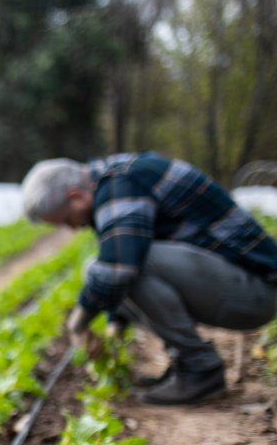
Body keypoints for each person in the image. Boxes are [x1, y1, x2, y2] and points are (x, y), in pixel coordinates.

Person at [21, 152, 277, 405]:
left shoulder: (122, 183)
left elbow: (120, 266)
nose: (72, 228)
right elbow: (122, 256)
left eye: (67, 220)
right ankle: (186, 364)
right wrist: (116, 322)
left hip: (257, 292)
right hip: (235, 285)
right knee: (112, 263)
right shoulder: (117, 178)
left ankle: (200, 368)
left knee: (124, 263)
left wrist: (78, 323)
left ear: (76, 196)